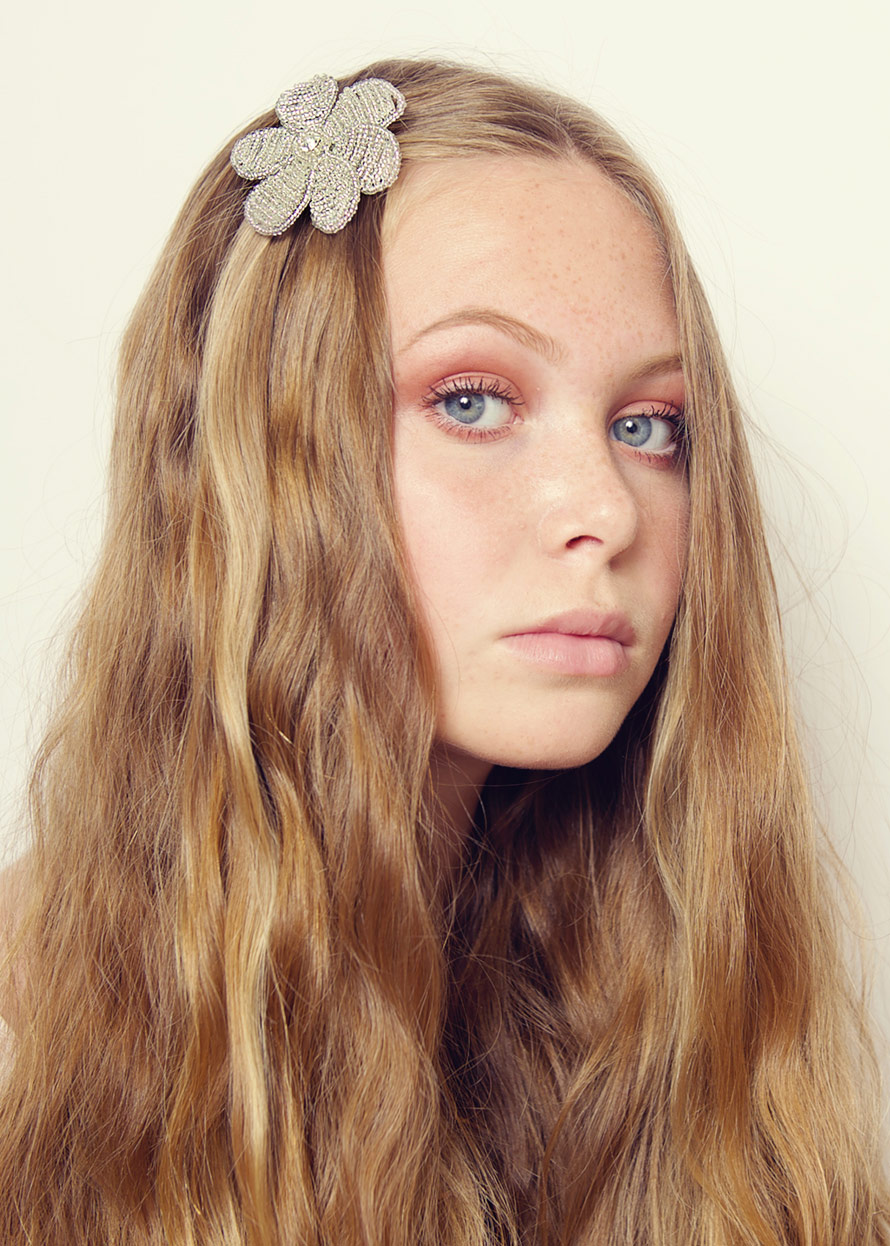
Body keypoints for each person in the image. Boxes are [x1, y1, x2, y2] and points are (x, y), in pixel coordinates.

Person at [0, 56, 886, 1245]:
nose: (609, 511)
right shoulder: (28, 1038)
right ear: (267, 463)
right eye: (472, 399)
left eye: (648, 425)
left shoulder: (652, 1003)